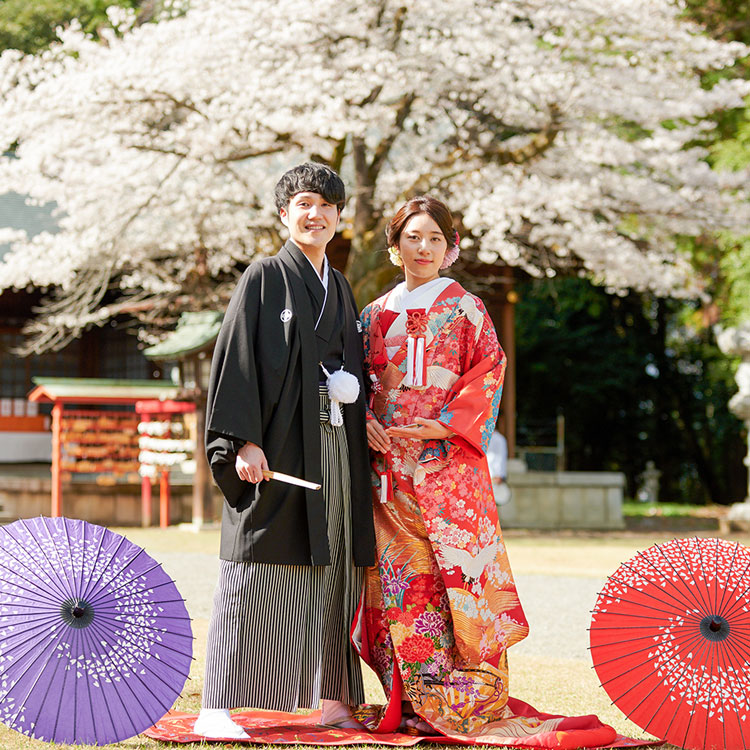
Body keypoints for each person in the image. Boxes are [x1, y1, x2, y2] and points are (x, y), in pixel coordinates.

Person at [354, 196, 617, 747]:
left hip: (447, 472)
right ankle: (413, 699)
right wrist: (364, 425)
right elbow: (359, 388)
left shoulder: (467, 309)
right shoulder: (373, 315)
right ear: (393, 246)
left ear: (451, 249)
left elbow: (488, 374)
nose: (422, 249)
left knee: (458, 583)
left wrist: (446, 423)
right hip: (388, 475)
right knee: (403, 585)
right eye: (411, 238)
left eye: (433, 239)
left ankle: (465, 699)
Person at [194, 163, 376, 739]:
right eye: (303, 203)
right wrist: (240, 441)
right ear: (283, 214)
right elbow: (238, 362)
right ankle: (219, 704)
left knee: (335, 568)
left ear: (340, 218)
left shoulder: (341, 287)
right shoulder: (264, 276)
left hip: (335, 448)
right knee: (255, 568)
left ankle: (332, 695)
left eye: (326, 206)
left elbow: (352, 368)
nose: (315, 214)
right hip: (277, 451)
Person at [487, 427, 512, 506]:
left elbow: (501, 458)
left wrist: (499, 475)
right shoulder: (485, 437)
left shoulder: (499, 438)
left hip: (493, 476)